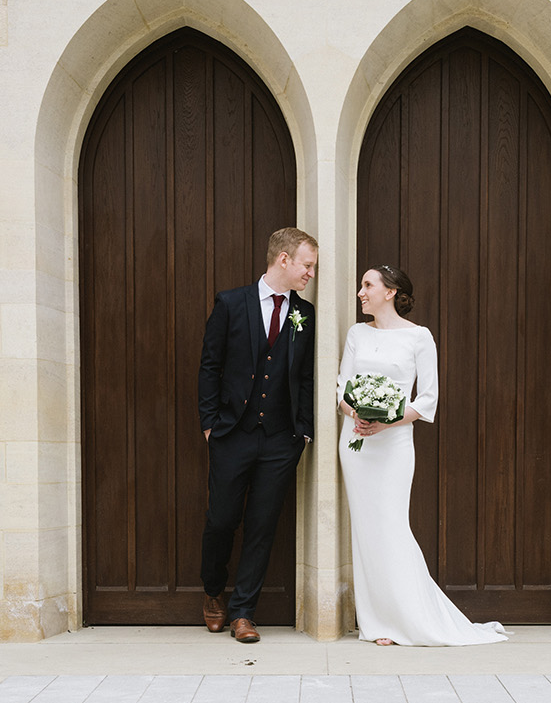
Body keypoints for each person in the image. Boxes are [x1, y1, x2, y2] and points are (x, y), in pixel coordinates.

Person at [337, 263, 509, 647]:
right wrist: (357, 414)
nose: (361, 292)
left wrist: (386, 421)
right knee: (365, 532)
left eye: (368, 285)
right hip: (356, 443)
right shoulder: (357, 333)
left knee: (392, 526)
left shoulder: (419, 337)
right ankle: (376, 622)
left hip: (393, 445)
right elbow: (342, 387)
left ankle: (407, 618)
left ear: (390, 292)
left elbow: (427, 399)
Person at [198, 227, 317, 643]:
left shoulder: (306, 313)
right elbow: (210, 365)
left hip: (281, 439)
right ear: (284, 259)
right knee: (222, 520)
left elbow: (306, 376)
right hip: (233, 433)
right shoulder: (231, 303)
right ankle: (213, 590)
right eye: (307, 265)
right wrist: (210, 424)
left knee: (262, 525)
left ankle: (243, 613)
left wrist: (303, 431)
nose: (311, 274)